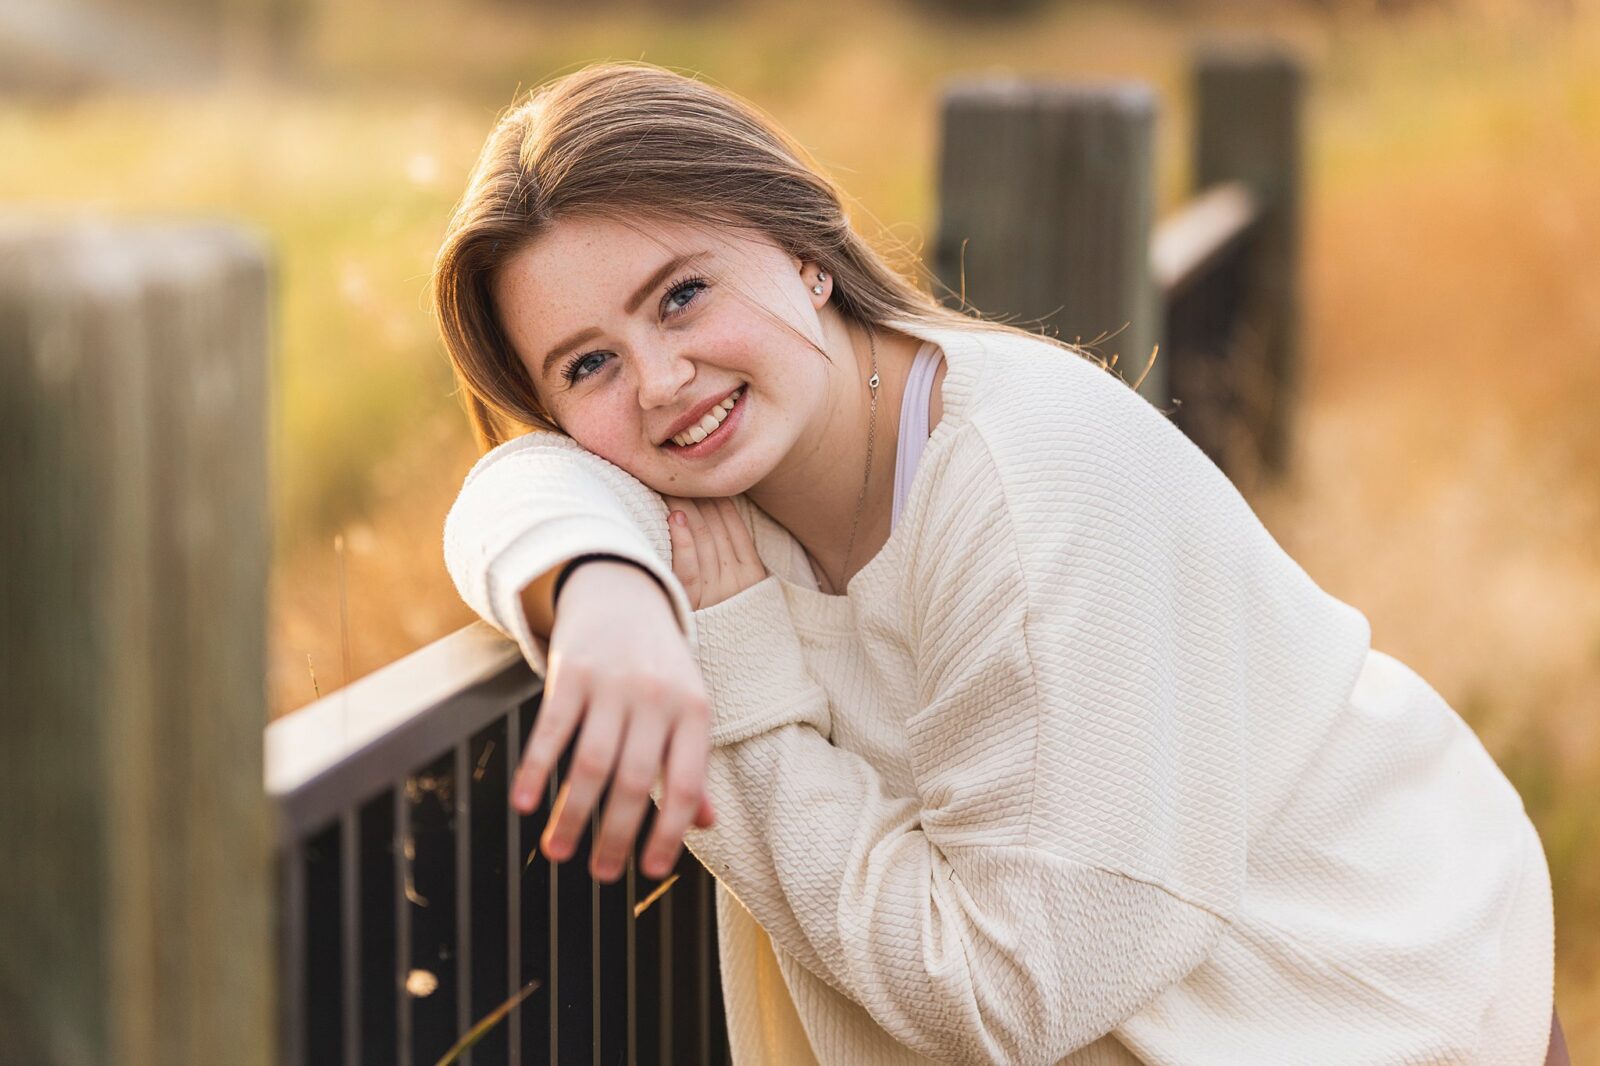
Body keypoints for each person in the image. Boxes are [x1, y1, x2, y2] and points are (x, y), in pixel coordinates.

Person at [434, 61, 1563, 1065]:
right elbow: (517, 485)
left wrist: (741, 683)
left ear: (805, 254)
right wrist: (602, 587)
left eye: (682, 295)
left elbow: (1010, 996)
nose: (661, 380)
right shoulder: (703, 485)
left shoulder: (1020, 483)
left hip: (1354, 1002)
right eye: (588, 363)